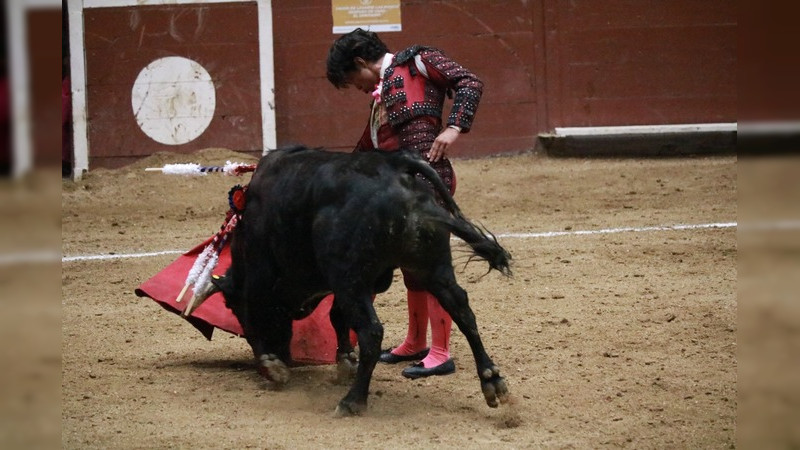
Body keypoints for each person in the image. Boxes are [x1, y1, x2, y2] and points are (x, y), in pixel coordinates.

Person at [326, 28, 483, 379]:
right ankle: (415, 342)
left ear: (361, 62)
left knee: (430, 265)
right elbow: (366, 150)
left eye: (354, 80)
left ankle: (441, 352)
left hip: (429, 182)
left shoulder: (418, 61)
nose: (358, 88)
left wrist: (454, 127)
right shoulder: (379, 100)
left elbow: (469, 82)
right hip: (397, 189)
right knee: (412, 265)